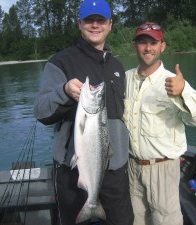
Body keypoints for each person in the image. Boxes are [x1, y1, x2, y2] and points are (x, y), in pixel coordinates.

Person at [33, 0, 134, 224]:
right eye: (89, 20)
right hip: (74, 171)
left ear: (110, 24)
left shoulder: (116, 66)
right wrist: (64, 91)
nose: (95, 25)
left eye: (101, 20)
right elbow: (40, 111)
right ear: (80, 24)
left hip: (115, 170)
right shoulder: (60, 62)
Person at [123, 22, 196, 225]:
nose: (147, 48)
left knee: (165, 221)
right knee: (136, 219)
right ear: (135, 45)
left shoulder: (174, 81)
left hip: (162, 168)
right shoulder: (125, 78)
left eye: (153, 42)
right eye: (142, 42)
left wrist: (183, 93)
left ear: (162, 46)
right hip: (131, 167)